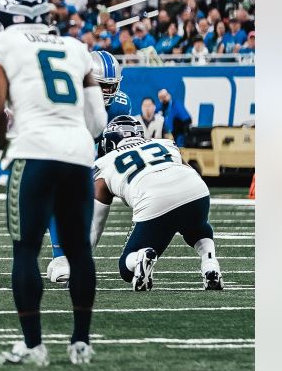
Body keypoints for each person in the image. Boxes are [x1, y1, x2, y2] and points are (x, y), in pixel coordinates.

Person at [0, 0, 106, 367]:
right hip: (78, 153)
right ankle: (80, 343)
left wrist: (3, 144)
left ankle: (34, 345)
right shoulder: (76, 48)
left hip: (33, 151)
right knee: (79, 250)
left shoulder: (0, 45)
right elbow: (98, 121)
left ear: (4, 17)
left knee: (26, 250)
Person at [89, 117, 223, 290]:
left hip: (154, 199)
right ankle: (210, 265)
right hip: (196, 188)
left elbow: (95, 225)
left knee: (126, 267)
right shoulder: (165, 143)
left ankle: (140, 258)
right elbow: (191, 173)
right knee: (198, 228)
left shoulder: (103, 164)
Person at [46, 49, 132, 284]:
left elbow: (111, 146)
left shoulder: (121, 105)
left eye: (111, 86)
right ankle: (60, 256)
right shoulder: (67, 100)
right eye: (102, 85)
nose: (108, 92)